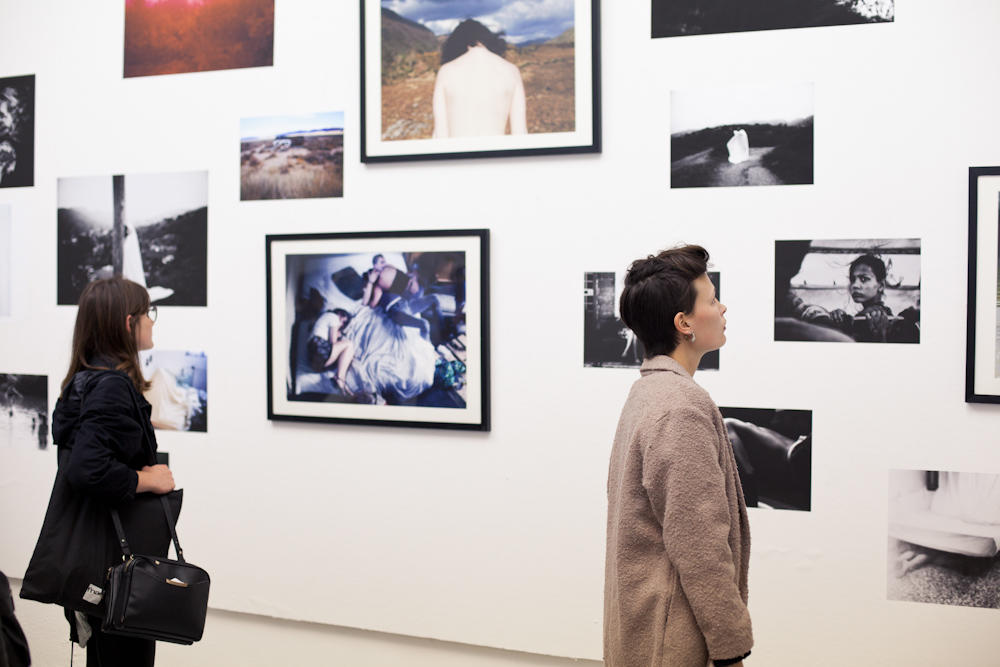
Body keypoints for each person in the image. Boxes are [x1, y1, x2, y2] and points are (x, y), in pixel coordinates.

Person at [605, 245, 752, 667]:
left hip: (647, 625)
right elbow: (700, 544)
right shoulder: (680, 406)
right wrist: (730, 649)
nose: (722, 308)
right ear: (683, 322)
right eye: (711, 299)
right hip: (675, 640)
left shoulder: (648, 391)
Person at [26, 277, 174, 667]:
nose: (152, 322)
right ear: (128, 322)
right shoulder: (110, 385)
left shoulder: (84, 380)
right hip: (117, 565)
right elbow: (87, 468)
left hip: (97, 558)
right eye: (148, 314)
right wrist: (148, 479)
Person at [431, 19, 527, 139]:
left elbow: (440, 135)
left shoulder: (446, 71)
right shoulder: (512, 71)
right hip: (494, 155)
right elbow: (521, 135)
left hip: (458, 155)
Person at [827, 254, 893, 342]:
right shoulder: (863, 317)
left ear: (881, 285)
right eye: (852, 279)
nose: (855, 285)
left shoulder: (874, 319)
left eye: (864, 279)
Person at [306, 307, 355, 395]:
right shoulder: (333, 317)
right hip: (318, 348)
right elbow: (333, 342)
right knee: (349, 344)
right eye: (343, 321)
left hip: (314, 362)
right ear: (340, 314)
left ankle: (341, 380)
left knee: (345, 357)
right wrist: (338, 334)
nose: (342, 325)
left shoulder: (322, 318)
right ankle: (340, 379)